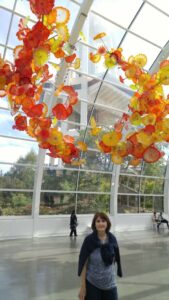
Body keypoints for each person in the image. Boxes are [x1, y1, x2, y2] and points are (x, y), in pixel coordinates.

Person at [78, 212, 122, 300]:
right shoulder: (89, 241)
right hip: (93, 284)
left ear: (107, 223)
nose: (101, 223)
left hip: (110, 284)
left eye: (103, 221)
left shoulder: (112, 239)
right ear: (94, 224)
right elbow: (84, 265)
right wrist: (83, 287)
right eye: (98, 221)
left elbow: (115, 259)